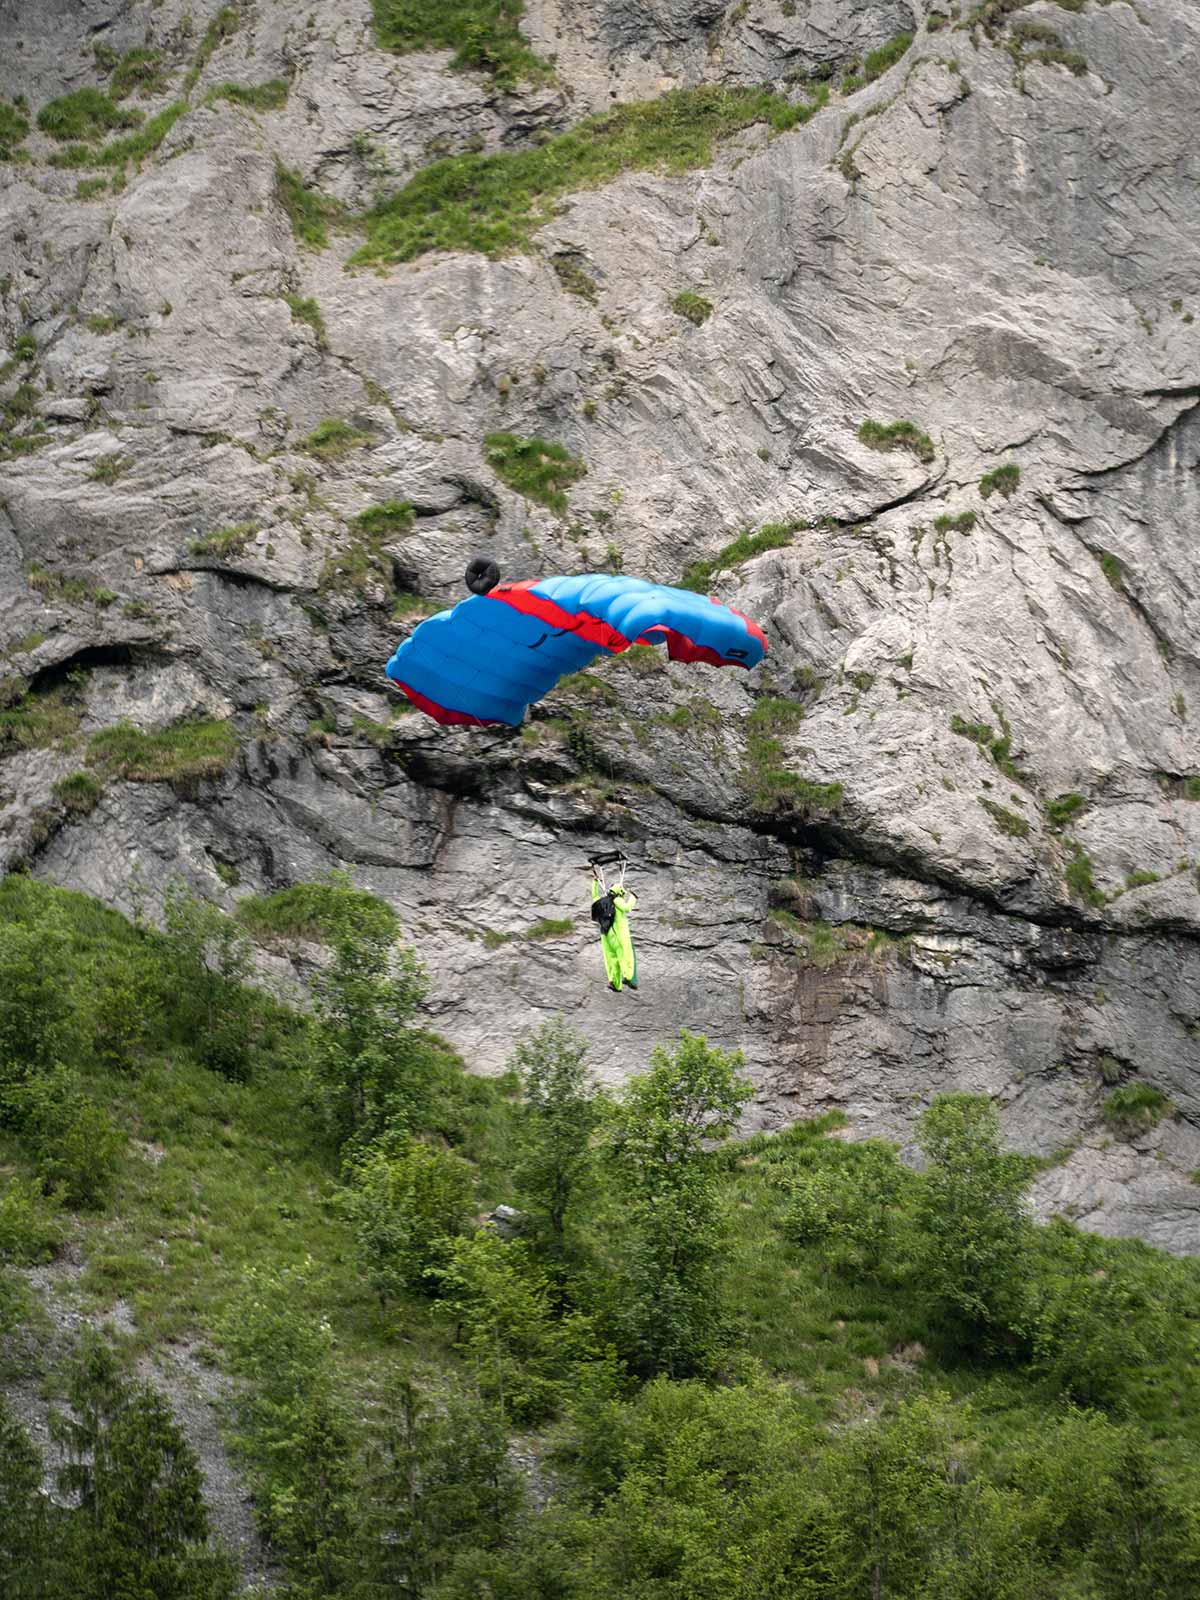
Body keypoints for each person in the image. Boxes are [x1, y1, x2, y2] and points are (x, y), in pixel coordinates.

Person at [590, 864, 638, 992]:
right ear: (619, 892)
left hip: (606, 935)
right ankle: (627, 977)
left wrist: (595, 882)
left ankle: (614, 983)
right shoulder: (616, 900)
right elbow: (627, 907)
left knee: (611, 959)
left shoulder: (602, 902)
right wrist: (633, 898)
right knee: (625, 954)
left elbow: (594, 896)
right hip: (618, 934)